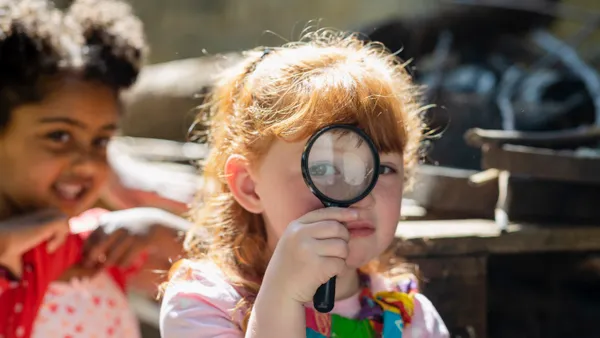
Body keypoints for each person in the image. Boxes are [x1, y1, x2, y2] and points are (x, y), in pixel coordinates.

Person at [159, 30, 450, 337]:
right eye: (324, 167)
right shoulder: (205, 305)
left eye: (385, 169)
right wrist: (283, 296)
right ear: (249, 186)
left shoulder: (410, 319)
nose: (362, 195)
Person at [0, 1, 189, 337]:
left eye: (101, 142)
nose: (87, 162)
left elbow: (240, 277)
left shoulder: (95, 248)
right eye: (59, 136)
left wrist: (162, 229)